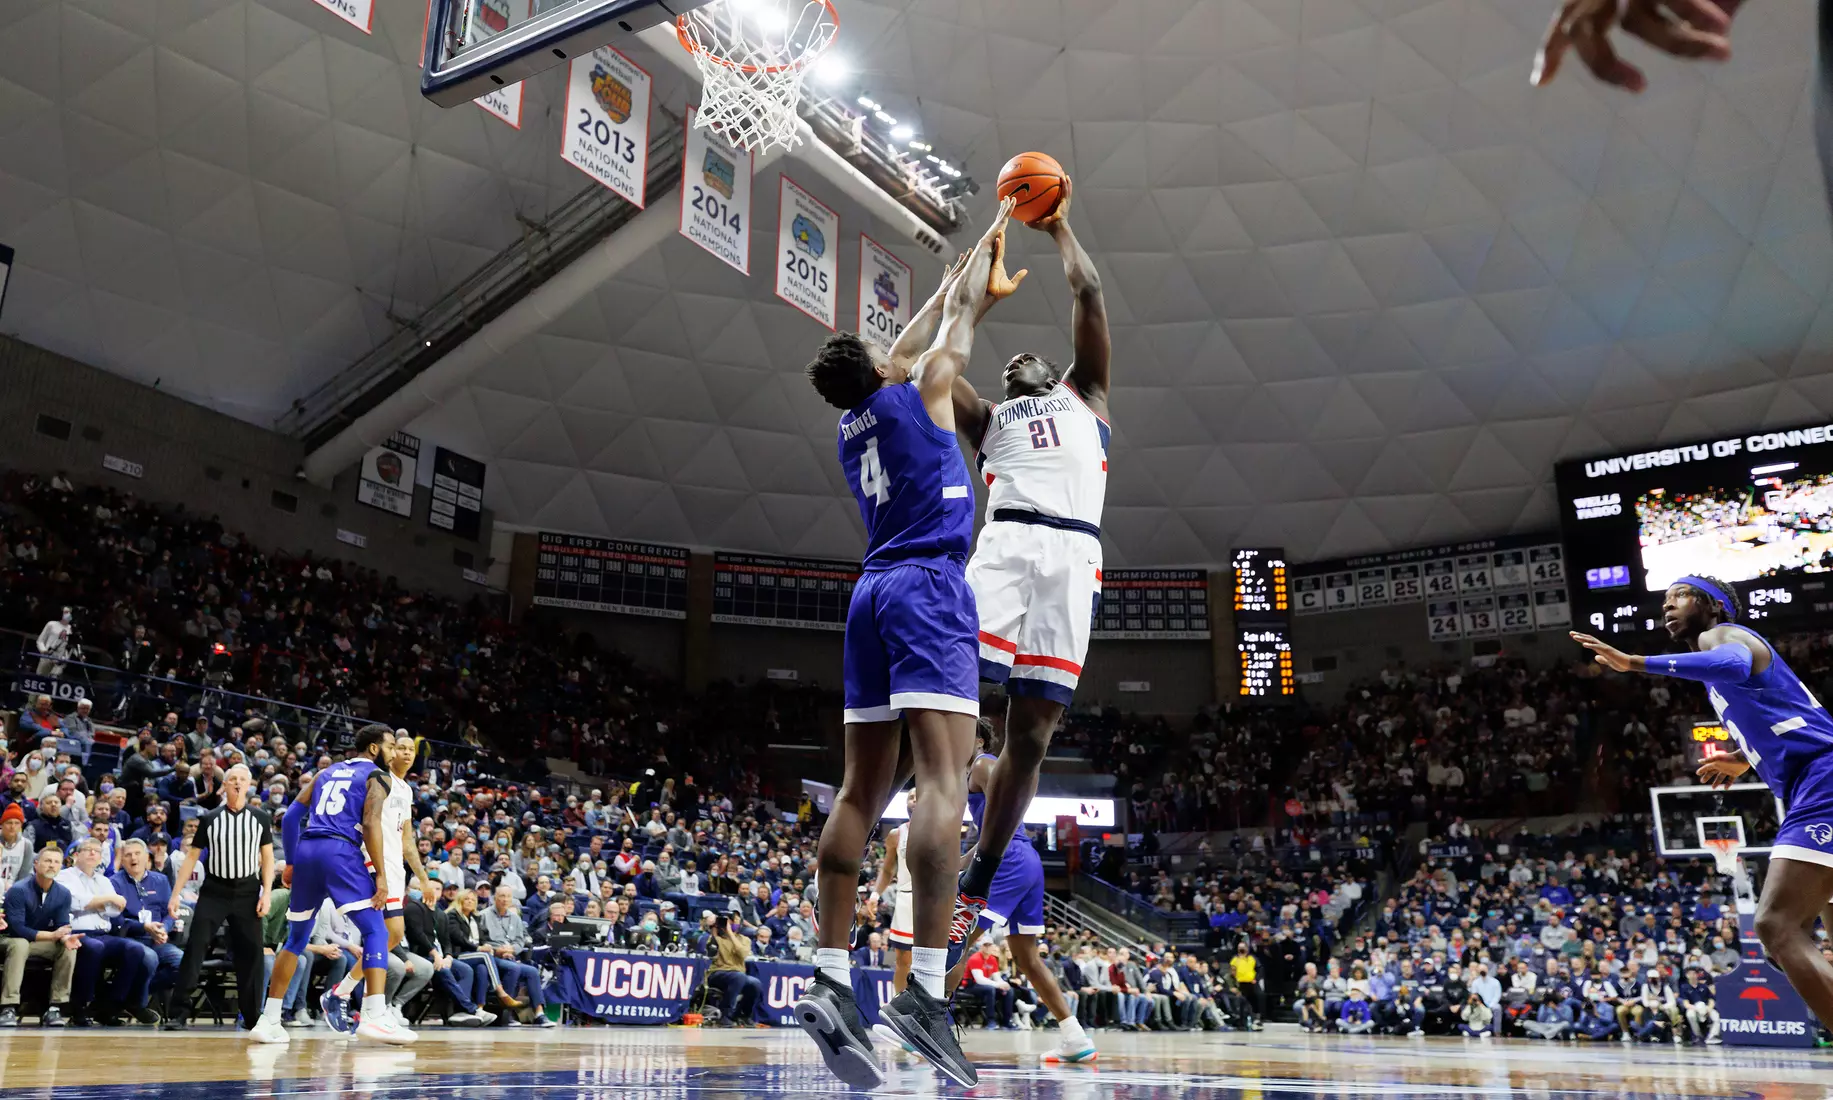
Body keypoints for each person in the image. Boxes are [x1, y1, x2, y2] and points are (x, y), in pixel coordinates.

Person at [792, 200, 1018, 1091]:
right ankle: (924, 991)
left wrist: (958, 289)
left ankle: (828, 974)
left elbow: (915, 344)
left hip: (869, 595)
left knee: (859, 789)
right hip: (927, 587)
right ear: (884, 370)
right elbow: (950, 336)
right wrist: (981, 276)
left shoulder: (851, 423)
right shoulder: (919, 393)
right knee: (943, 779)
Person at [947, 178, 1110, 960]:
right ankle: (935, 816)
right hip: (1007, 543)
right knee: (953, 685)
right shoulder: (988, 419)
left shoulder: (1090, 398)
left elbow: (1089, 286)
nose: (1017, 358)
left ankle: (977, 879)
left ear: (1057, 373)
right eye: (1008, 357)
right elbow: (936, 374)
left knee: (1035, 735)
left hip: (1074, 553)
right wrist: (970, 295)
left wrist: (1058, 228)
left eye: (1029, 355)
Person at [1574, 576, 1833, 1033]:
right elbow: (1789, 718)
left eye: (1678, 596)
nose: (1666, 607)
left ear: (1712, 604)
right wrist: (1740, 758)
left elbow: (1731, 664)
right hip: (1813, 778)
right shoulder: (1723, 666)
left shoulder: (1722, 636)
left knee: (1775, 924)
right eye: (1663, 601)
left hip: (1822, 784)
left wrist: (1632, 662)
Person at [940, 729, 1095, 1063]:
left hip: (1009, 859)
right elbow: (988, 834)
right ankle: (1075, 1036)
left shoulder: (983, 764)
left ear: (979, 739)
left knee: (959, 939)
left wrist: (977, 863)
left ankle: (929, 1024)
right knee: (1026, 958)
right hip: (1022, 860)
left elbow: (1007, 813)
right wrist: (959, 866)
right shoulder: (971, 772)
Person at [253, 724, 408, 1045]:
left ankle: (268, 1020)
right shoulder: (378, 777)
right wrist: (380, 873)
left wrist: (293, 861)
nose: (395, 753)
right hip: (339, 850)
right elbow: (369, 823)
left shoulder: (327, 772)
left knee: (295, 939)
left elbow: (293, 815)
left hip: (308, 849)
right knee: (378, 931)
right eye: (391, 746)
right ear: (375, 749)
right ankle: (375, 1015)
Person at [332, 730, 436, 1033]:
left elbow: (407, 840)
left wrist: (424, 879)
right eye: (398, 748)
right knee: (384, 933)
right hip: (371, 860)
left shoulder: (406, 789)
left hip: (394, 865)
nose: (404, 753)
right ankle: (367, 1009)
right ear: (388, 751)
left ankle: (343, 994)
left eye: (409, 750)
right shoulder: (377, 778)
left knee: (391, 936)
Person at [163, 763, 273, 1030]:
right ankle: (178, 1013)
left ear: (249, 785)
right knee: (195, 948)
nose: (236, 783)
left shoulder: (260, 818)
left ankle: (251, 1016)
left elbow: (267, 857)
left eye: (242, 779)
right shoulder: (210, 818)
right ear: (224, 785)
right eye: (232, 778)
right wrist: (175, 895)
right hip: (215, 891)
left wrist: (266, 893)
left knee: (252, 954)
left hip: (247, 891)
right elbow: (191, 858)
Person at [0, 846, 80, 1027]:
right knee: (20, 944)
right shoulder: (19, 890)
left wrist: (66, 938)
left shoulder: (63, 894)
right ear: (36, 864)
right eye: (47, 861)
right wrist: (52, 935)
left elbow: (61, 925)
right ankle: (8, 1007)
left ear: (61, 866)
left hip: (38, 942)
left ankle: (55, 1007)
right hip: (9, 939)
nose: (52, 865)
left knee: (68, 948)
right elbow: (17, 928)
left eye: (56, 862)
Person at [871, 807, 915, 993]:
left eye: (917, 795)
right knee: (903, 959)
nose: (913, 799)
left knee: (936, 959)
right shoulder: (897, 834)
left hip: (935, 899)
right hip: (907, 896)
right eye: (911, 796)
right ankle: (899, 1005)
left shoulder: (943, 828)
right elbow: (888, 870)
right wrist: (875, 895)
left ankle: (932, 1010)